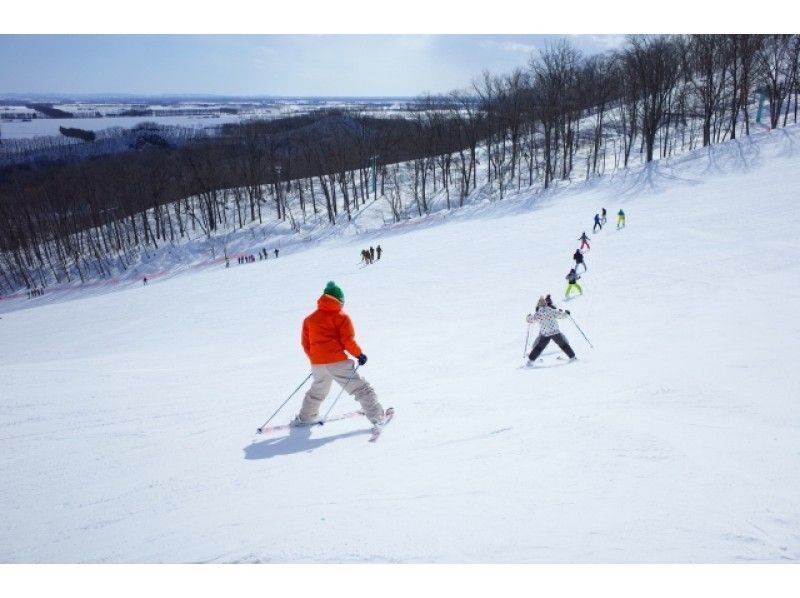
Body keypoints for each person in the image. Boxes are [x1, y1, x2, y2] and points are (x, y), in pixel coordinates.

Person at [293, 281, 385, 426]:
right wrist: (359, 355)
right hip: (337, 362)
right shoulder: (341, 317)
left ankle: (306, 417)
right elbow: (347, 340)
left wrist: (317, 358)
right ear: (339, 301)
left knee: (318, 390)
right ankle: (377, 416)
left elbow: (305, 344)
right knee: (360, 388)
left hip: (317, 364)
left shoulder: (309, 319)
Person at [526, 296, 576, 365]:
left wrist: (528, 317)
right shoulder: (552, 311)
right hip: (555, 332)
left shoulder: (538, 314)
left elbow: (530, 320)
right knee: (563, 344)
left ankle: (530, 361)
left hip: (545, 334)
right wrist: (567, 313)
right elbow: (562, 315)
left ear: (538, 305)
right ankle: (572, 357)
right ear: (546, 304)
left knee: (539, 347)